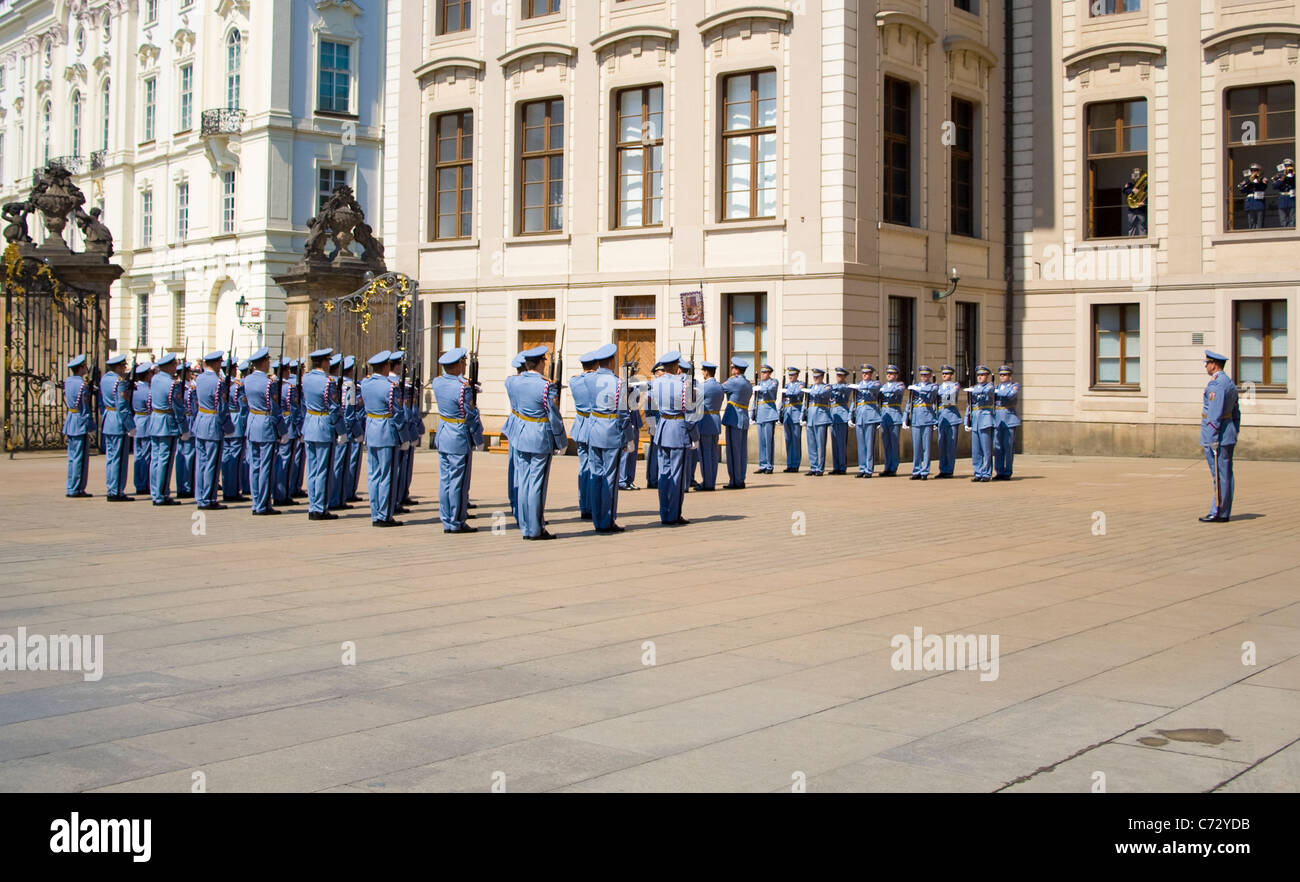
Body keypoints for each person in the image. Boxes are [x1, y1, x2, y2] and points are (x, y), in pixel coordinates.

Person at [505, 345, 566, 539]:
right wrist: (560, 440)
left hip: (520, 434)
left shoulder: (513, 382)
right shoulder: (546, 385)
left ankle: (525, 526)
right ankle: (535, 528)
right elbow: (553, 415)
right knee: (537, 484)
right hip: (539, 435)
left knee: (523, 482)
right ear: (540, 363)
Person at [432, 346, 479, 533]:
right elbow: (470, 414)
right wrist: (477, 436)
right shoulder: (463, 387)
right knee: (458, 481)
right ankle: (456, 520)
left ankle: (446, 518)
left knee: (445, 480)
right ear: (458, 364)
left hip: (443, 431)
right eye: (464, 361)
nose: (466, 364)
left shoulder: (437, 382)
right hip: (458, 434)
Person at [583, 343, 628, 533]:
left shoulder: (588, 379)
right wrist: (625, 437)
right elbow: (624, 414)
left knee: (596, 476)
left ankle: (597, 518)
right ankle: (606, 520)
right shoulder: (619, 383)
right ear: (611, 361)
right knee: (609, 478)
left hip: (593, 430)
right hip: (610, 431)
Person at [360, 350, 406, 527]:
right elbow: (397, 413)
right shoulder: (390, 387)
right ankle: (384, 515)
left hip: (371, 430)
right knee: (387, 475)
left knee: (374, 475)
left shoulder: (366, 383)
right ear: (386, 366)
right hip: (386, 431)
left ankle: (375, 512)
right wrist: (403, 436)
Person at [650, 351, 694, 525]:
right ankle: (673, 514)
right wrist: (693, 435)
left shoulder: (655, 383)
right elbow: (691, 414)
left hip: (662, 429)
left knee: (663, 474)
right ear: (676, 367)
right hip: (677, 429)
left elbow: (652, 406)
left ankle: (664, 512)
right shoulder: (684, 385)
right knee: (677, 475)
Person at [300, 348, 344, 521]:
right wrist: (340, 430)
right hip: (324, 425)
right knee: (323, 471)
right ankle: (321, 508)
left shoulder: (306, 378)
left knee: (312, 469)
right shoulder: (328, 382)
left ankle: (313, 505)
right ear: (324, 362)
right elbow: (334, 408)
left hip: (309, 424)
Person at [1199, 350, 1240, 523]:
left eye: (1207, 363)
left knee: (1219, 475)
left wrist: (1213, 438)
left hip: (1218, 435)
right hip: (1228, 432)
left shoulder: (1216, 385)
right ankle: (1223, 510)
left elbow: (1214, 414)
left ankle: (1218, 511)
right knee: (1225, 474)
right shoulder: (1229, 383)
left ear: (1214, 364)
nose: (1206, 366)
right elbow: (1236, 412)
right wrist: (1235, 429)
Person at [243, 348, 284, 515]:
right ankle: (263, 504)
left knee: (254, 466)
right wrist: (282, 429)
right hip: (265, 424)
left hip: (252, 422)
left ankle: (256, 501)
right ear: (264, 362)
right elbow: (274, 409)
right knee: (265, 467)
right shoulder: (269, 383)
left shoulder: (247, 380)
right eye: (268, 360)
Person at [192, 351, 232, 511]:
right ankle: (209, 498)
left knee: (201, 462)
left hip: (200, 420)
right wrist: (228, 427)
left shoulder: (199, 379)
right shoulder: (218, 382)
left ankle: (200, 496)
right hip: (212, 423)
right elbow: (221, 408)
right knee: (211, 464)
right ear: (215, 364)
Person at [147, 352, 187, 505]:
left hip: (155, 420)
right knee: (165, 459)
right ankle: (161, 494)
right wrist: (183, 427)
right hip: (167, 422)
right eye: (174, 364)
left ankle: (155, 492)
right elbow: (178, 407)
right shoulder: (172, 384)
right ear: (169, 366)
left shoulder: (155, 379)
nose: (175, 367)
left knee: (156, 459)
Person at [100, 354, 136, 501]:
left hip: (109, 418)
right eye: (123, 366)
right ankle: (116, 491)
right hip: (118, 421)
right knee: (119, 459)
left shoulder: (105, 379)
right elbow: (122, 406)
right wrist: (130, 425)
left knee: (111, 457)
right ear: (118, 367)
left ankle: (111, 488)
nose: (125, 368)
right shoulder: (119, 382)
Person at [570, 353, 597, 519]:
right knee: (595, 468)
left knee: (583, 467)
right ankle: (592, 505)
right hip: (594, 425)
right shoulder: (597, 381)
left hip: (580, 426)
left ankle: (583, 504)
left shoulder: (574, 381)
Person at [63, 354, 94, 498]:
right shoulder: (82, 385)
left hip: (71, 419)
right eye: (84, 366)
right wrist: (90, 423)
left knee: (72, 457)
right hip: (80, 421)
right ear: (81, 368)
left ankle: (71, 486)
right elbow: (85, 406)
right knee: (79, 458)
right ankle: (77, 488)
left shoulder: (68, 381)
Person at [721, 357, 752, 488]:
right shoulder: (747, 383)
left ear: (736, 370)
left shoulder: (734, 382)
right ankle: (740, 478)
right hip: (743, 417)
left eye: (733, 368)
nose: (731, 370)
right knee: (742, 452)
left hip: (734, 419)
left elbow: (718, 389)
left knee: (733, 452)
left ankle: (735, 480)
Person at [222, 357, 250, 502]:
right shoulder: (238, 385)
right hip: (236, 421)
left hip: (225, 421)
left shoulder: (222, 383)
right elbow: (243, 407)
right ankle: (233, 490)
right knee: (236, 459)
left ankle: (227, 488)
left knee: (226, 457)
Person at [694, 361, 724, 490]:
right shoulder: (719, 386)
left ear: (706, 372)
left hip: (705, 421)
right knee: (713, 454)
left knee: (705, 455)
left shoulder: (703, 386)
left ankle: (707, 483)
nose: (702, 373)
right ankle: (711, 480)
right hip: (715, 419)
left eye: (703, 371)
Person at [503, 351, 526, 517]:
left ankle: (513, 500)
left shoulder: (510, 381)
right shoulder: (526, 382)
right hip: (524, 424)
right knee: (521, 469)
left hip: (513, 423)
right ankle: (520, 505)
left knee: (513, 465)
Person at [905, 365, 938, 480]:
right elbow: (909, 403)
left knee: (926, 447)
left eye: (926, 375)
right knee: (917, 447)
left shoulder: (932, 386)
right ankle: (916, 470)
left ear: (929, 376)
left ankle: (925, 471)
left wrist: (919, 389)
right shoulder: (915, 386)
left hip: (927, 418)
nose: (924, 377)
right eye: (922, 375)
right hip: (915, 419)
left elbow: (932, 393)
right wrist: (906, 418)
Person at [965, 365, 995, 482]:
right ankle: (978, 472)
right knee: (976, 449)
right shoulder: (974, 388)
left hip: (985, 419)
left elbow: (987, 391)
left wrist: (974, 390)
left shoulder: (990, 386)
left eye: (982, 375)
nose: (980, 377)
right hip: (975, 419)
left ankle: (987, 473)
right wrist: (967, 420)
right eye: (978, 375)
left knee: (986, 449)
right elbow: (970, 405)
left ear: (987, 376)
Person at [851, 363, 882, 478]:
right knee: (861, 445)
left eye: (867, 373)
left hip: (870, 416)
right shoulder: (858, 384)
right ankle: (862, 468)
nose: (865, 375)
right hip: (860, 416)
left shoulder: (875, 383)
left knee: (869, 444)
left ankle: (869, 469)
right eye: (863, 373)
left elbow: (876, 388)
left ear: (871, 374)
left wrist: (860, 387)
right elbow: (854, 401)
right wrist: (851, 415)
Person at [617, 361, 643, 491]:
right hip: (626, 420)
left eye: (633, 370)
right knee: (625, 452)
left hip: (634, 419)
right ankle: (622, 480)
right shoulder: (621, 385)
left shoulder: (635, 384)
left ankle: (630, 479)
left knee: (633, 453)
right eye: (629, 370)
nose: (632, 372)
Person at [993, 365, 1021, 480]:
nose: (1002, 377)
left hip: (1009, 419)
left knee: (1008, 447)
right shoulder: (997, 387)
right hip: (998, 419)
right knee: (997, 447)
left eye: (1005, 375)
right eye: (1001, 375)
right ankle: (999, 471)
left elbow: (1010, 395)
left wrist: (996, 391)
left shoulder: (1014, 386)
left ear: (1010, 376)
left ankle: (1007, 471)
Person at [131, 361, 155, 497]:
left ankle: (139, 483)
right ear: (146, 376)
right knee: (146, 456)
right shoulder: (149, 391)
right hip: (146, 422)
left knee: (138, 456)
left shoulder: (134, 389)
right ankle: (144, 483)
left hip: (137, 421)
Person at [934, 365, 963, 478]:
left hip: (951, 417)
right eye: (943, 374)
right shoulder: (938, 387)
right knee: (942, 446)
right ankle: (942, 469)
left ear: (951, 375)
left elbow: (949, 398)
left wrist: (938, 393)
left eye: (947, 374)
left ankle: (949, 470)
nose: (944, 375)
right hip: (941, 417)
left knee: (950, 446)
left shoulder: (955, 385)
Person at [175, 363, 198, 499]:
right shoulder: (189, 388)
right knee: (189, 455)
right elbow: (193, 409)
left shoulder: (176, 386)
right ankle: (187, 486)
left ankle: (181, 486)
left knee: (180, 455)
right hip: (189, 422)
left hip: (180, 422)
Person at [802, 367, 831, 477]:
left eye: (817, 377)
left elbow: (823, 393)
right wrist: (802, 417)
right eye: (814, 377)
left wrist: (812, 390)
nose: (815, 378)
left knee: (820, 445)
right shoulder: (811, 387)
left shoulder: (826, 386)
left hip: (821, 417)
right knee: (811, 445)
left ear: (822, 377)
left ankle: (820, 468)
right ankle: (813, 467)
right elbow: (806, 403)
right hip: (811, 417)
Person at [750, 364, 778, 474]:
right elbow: (756, 400)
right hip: (760, 414)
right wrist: (752, 414)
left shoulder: (773, 382)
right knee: (761, 442)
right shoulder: (760, 384)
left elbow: (770, 391)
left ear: (769, 373)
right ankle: (762, 464)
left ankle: (769, 466)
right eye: (762, 372)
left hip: (769, 414)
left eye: (765, 372)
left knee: (768, 441)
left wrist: (760, 388)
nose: (763, 374)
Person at [878, 365, 905, 476]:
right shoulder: (883, 386)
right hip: (884, 417)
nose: (889, 375)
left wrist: (885, 389)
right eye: (888, 373)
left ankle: (893, 467)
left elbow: (897, 391)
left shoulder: (900, 385)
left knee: (894, 444)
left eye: (892, 373)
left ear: (896, 375)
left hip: (895, 417)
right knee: (886, 444)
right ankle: (887, 466)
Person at [779, 367, 804, 472]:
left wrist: (787, 391)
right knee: (788, 440)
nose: (790, 377)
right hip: (787, 415)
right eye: (789, 375)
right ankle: (789, 464)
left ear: (797, 375)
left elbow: (796, 393)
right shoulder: (787, 385)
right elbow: (783, 400)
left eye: (792, 375)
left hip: (796, 415)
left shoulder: (801, 384)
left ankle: (795, 464)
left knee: (796, 441)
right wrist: (779, 412)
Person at [828, 368, 852, 474]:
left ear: (844, 377)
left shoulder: (846, 386)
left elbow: (845, 391)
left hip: (842, 416)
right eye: (838, 375)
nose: (839, 377)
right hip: (833, 416)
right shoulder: (832, 386)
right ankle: (836, 466)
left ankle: (842, 467)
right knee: (834, 444)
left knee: (841, 443)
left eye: (841, 376)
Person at [644, 362, 663, 489]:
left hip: (664, 424)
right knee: (654, 453)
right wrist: (652, 426)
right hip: (656, 424)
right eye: (662, 371)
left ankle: (659, 477)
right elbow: (648, 409)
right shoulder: (651, 390)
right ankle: (652, 479)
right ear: (656, 373)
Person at [1238, 163, 1269, 229]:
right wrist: (1250, 180)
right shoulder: (1247, 180)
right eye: (1252, 170)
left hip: (1259, 202)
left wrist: (1257, 180)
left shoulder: (1263, 179)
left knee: (1259, 222)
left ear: (1259, 171)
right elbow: (1241, 189)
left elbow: (1263, 187)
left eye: (1256, 170)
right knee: (1251, 222)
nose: (1254, 171)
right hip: (1250, 202)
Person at [1122, 167, 1147, 236]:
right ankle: (1131, 240)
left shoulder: (1145, 186)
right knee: (1131, 227)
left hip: (1141, 209)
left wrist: (1144, 202)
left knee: (1142, 227)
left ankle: (1143, 240)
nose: (1136, 177)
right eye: (1134, 175)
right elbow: (1125, 190)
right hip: (1132, 210)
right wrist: (1132, 190)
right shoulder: (1130, 185)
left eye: (1138, 175)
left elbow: (1147, 195)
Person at [1272, 158, 1295, 227]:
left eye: (1289, 166)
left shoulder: (1295, 175)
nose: (1288, 168)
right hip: (1282, 199)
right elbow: (1275, 186)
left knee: (1293, 219)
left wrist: (1292, 175)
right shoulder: (1279, 175)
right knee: (1283, 219)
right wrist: (1283, 177)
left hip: (1292, 198)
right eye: (1286, 166)